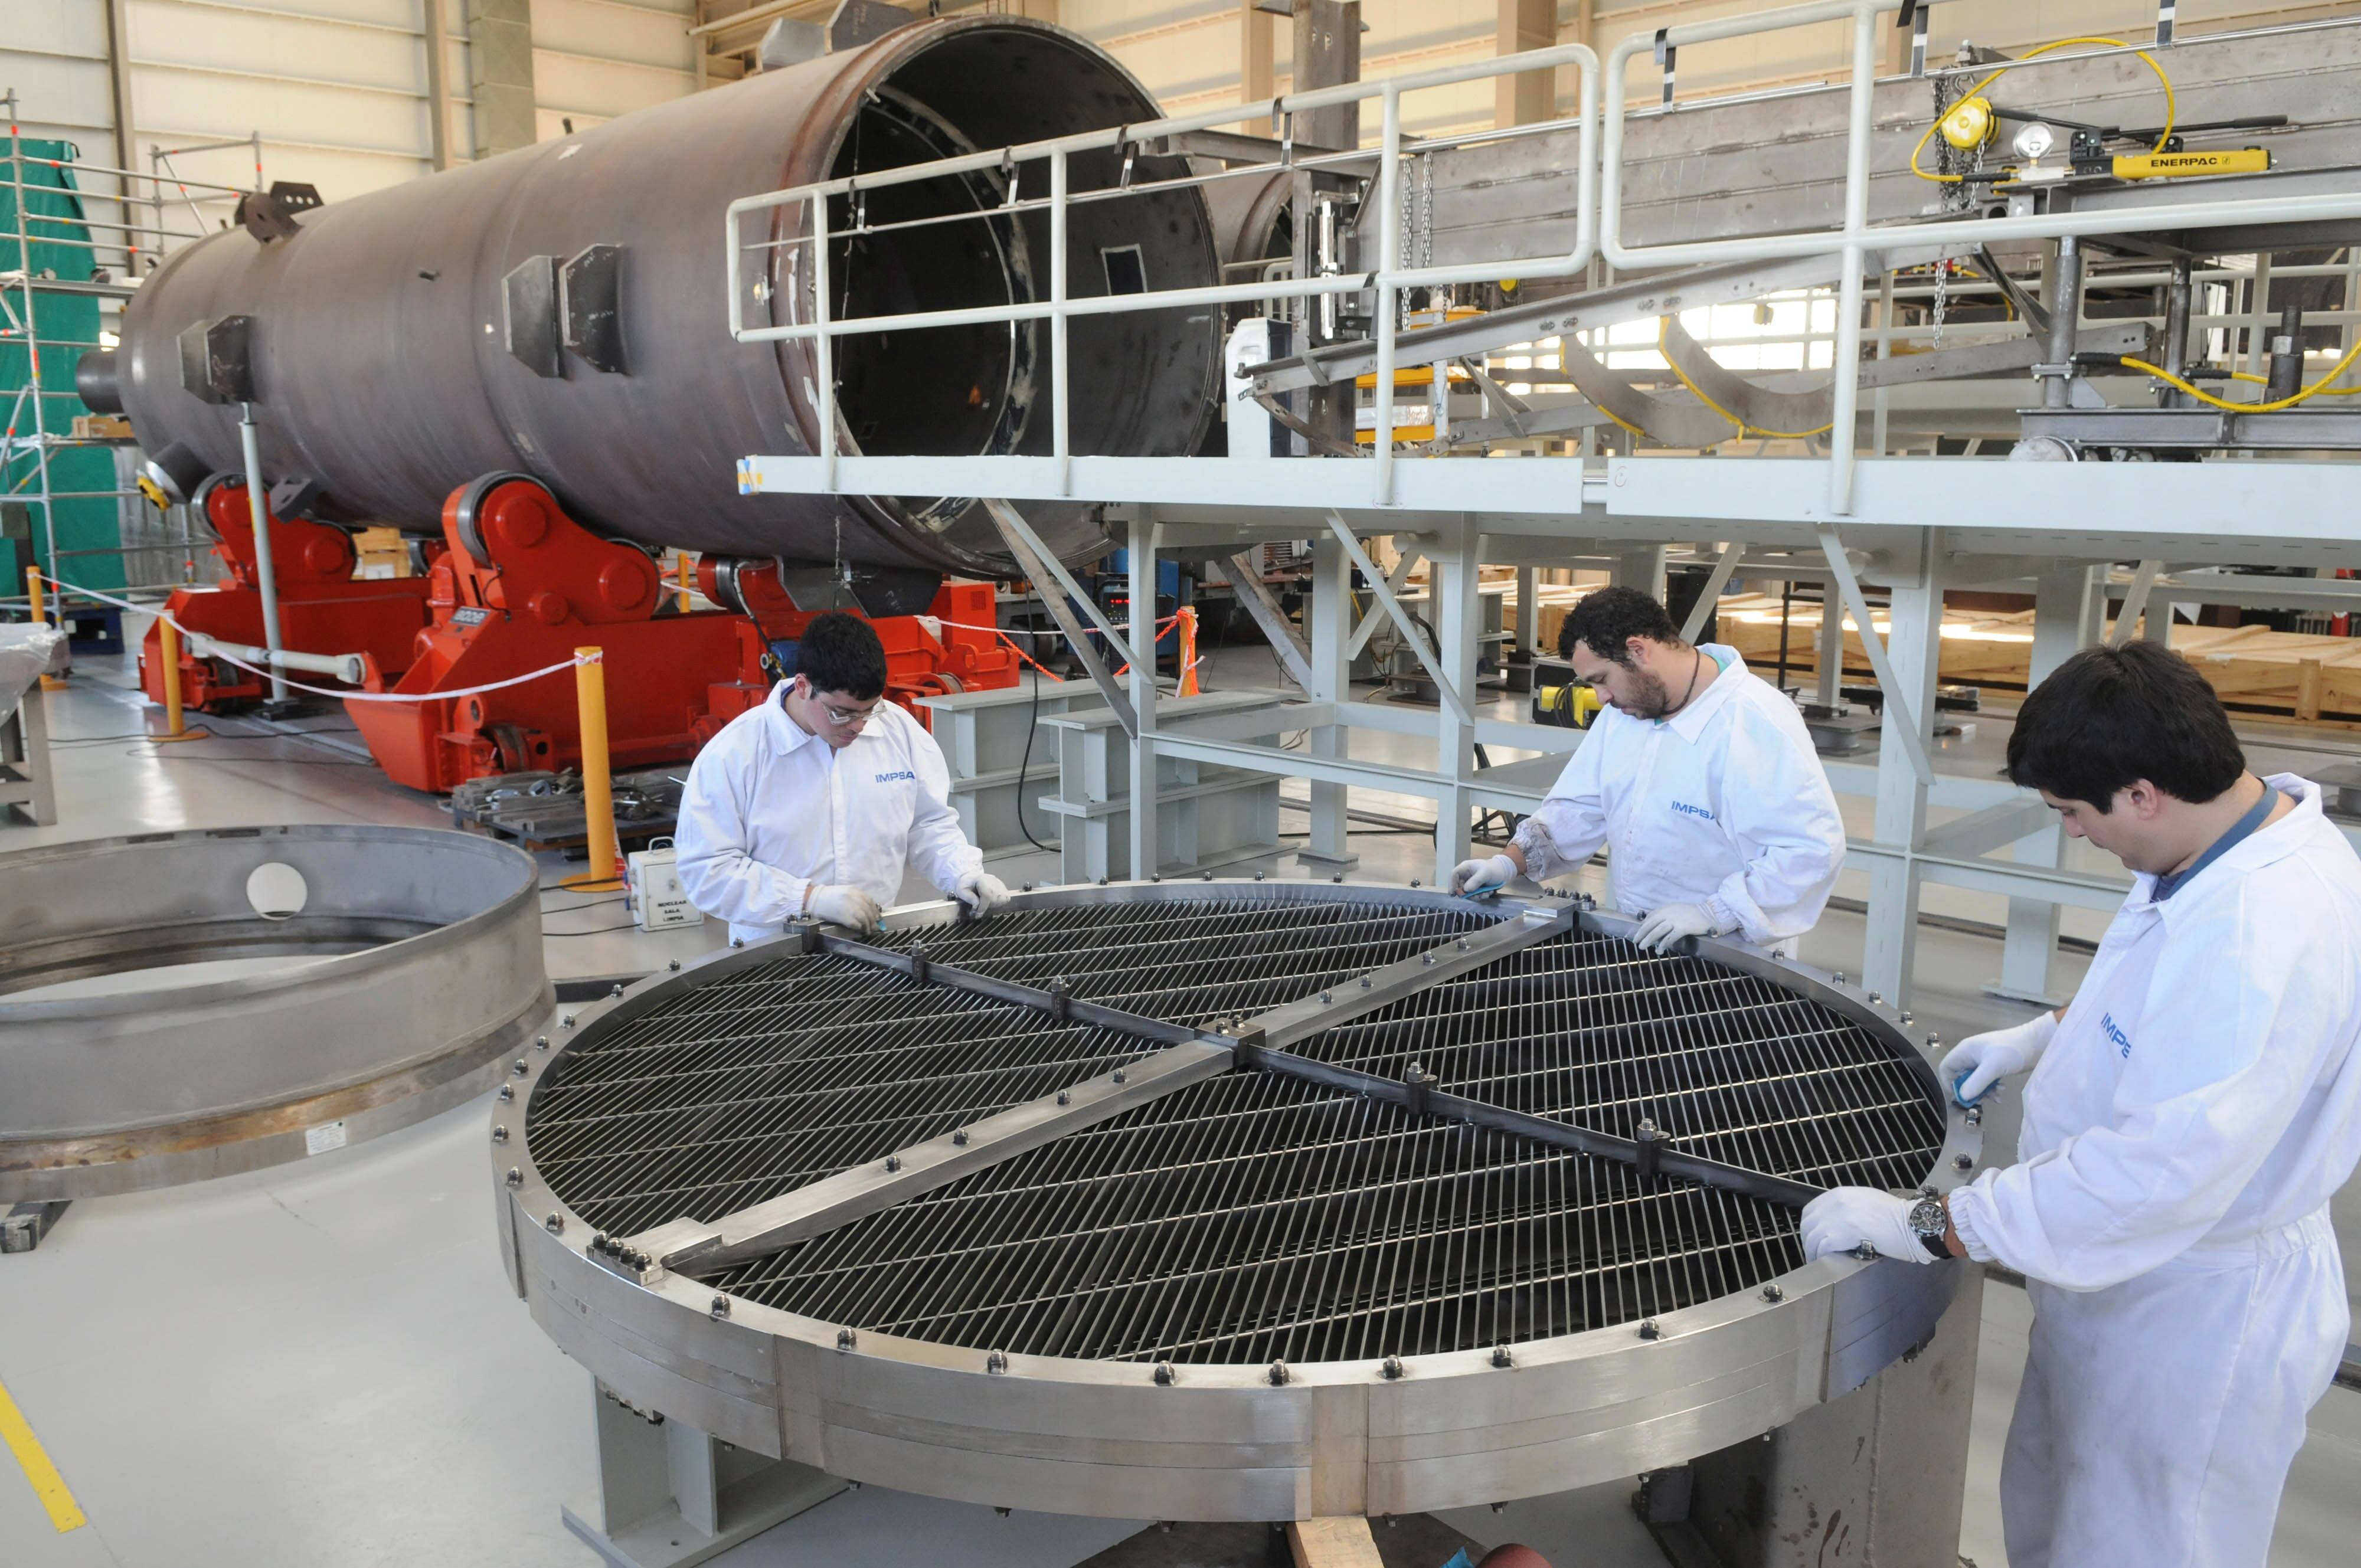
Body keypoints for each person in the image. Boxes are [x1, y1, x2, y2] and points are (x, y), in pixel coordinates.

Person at [1800, 640, 2361, 1568]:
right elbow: (2158, 1001)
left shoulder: (2260, 925)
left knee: (2146, 1541)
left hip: (2192, 1315)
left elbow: (2150, 1173)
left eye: (2070, 811)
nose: (2073, 832)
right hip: (2124, 1287)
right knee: (2065, 1507)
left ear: (2141, 793)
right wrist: (2048, 1032)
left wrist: (1928, 1221)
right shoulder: (2223, 839)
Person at [1449, 585, 1845, 955]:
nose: (1601, 698)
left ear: (1638, 650)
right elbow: (1579, 809)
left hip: (1734, 960)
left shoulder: (1753, 721)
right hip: (1639, 942)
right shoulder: (1626, 712)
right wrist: (1507, 862)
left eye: (1601, 680)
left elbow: (1810, 851)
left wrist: (1715, 912)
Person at [675, 610, 1008, 941]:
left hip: (877, 943)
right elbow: (708, 872)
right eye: (841, 713)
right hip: (772, 954)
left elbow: (927, 824)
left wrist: (962, 873)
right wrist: (809, 899)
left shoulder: (898, 730)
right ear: (803, 686)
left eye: (870, 710)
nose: (858, 727)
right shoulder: (735, 754)